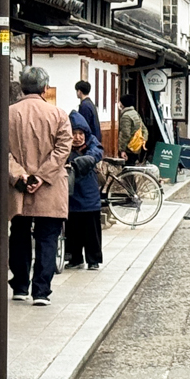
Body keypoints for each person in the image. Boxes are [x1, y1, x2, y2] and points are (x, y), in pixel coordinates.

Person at [6, 65, 73, 306]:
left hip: (19, 187)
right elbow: (64, 148)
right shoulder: (58, 115)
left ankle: (20, 285)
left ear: (22, 87)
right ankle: (41, 291)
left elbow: (0, 149)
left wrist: (20, 176)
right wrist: (42, 176)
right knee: (47, 237)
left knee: (19, 234)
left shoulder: (8, 113)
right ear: (45, 88)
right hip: (50, 185)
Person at [63, 108, 106, 271]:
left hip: (89, 195)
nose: (77, 137)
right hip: (71, 195)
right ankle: (74, 258)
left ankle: (93, 259)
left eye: (81, 133)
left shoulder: (92, 143)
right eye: (74, 133)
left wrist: (85, 159)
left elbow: (97, 152)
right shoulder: (64, 147)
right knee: (72, 228)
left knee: (91, 229)